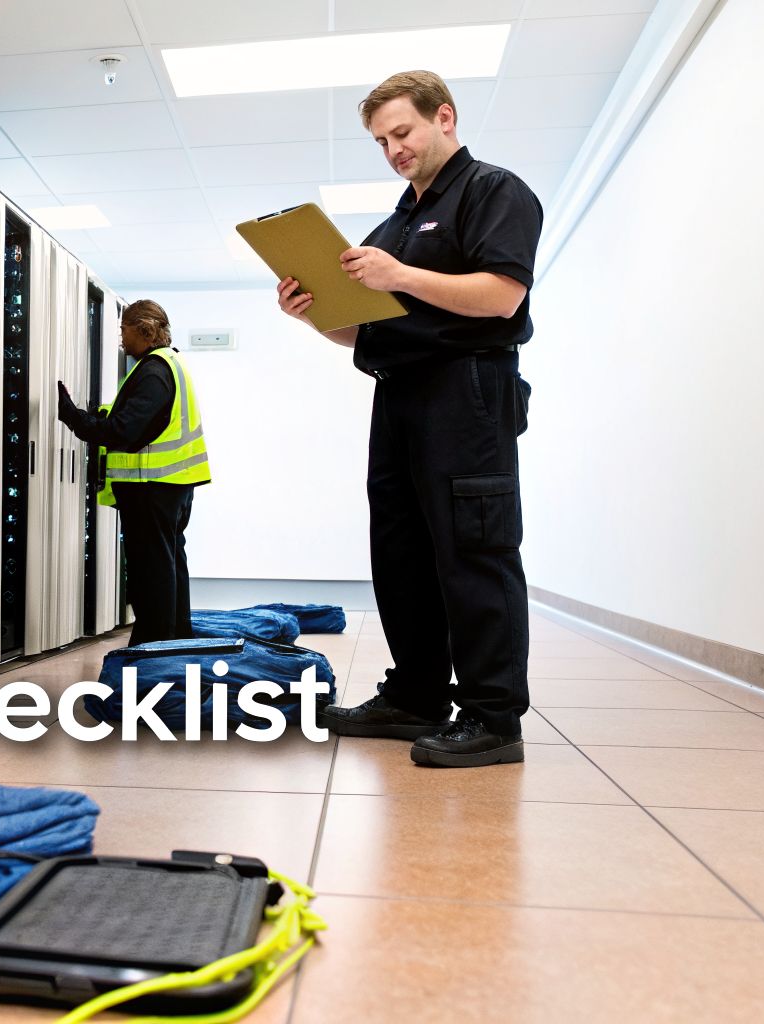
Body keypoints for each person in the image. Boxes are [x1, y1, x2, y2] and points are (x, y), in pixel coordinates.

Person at [278, 70, 539, 768]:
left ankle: (492, 715)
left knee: (472, 550)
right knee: (402, 553)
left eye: (403, 132)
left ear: (444, 119)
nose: (393, 148)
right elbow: (364, 333)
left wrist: (398, 276)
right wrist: (314, 317)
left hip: (468, 393)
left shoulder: (493, 192)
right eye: (381, 140)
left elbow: (501, 296)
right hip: (398, 394)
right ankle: (416, 695)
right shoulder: (393, 224)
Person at [57, 300, 209, 646]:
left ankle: (152, 646)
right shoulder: (169, 364)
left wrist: (73, 417)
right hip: (171, 486)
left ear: (145, 329)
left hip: (152, 488)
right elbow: (134, 421)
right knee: (168, 563)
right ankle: (174, 639)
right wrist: (97, 416)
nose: (121, 337)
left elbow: (125, 432)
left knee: (150, 570)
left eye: (123, 328)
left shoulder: (153, 371)